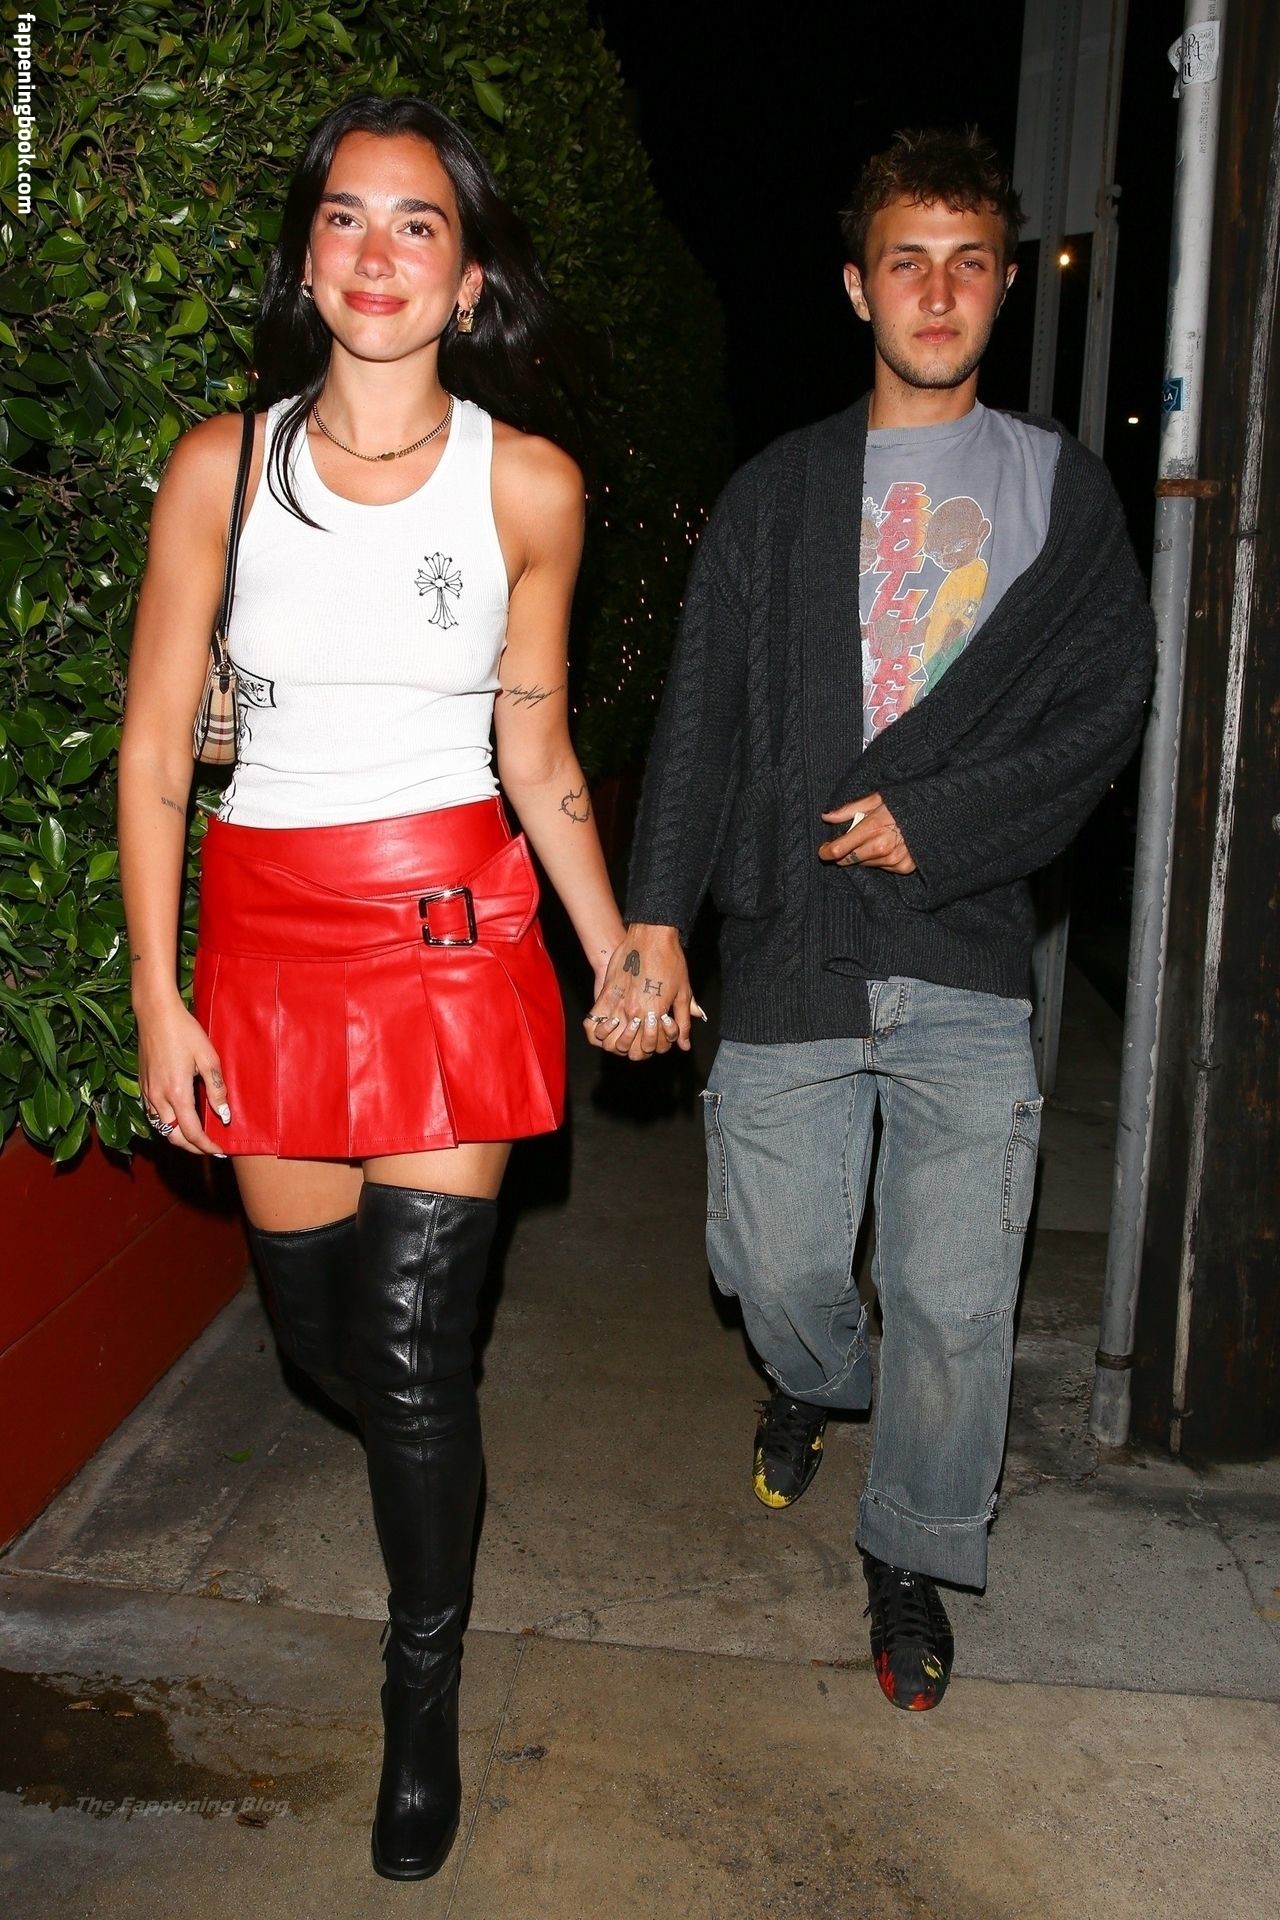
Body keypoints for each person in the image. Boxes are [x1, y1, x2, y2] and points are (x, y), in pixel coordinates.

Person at [118, 94, 631, 1877]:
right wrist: (157, 994)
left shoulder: (528, 486)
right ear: (309, 257)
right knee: (321, 1339)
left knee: (412, 1353)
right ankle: (432, 1472)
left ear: (468, 277)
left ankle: (423, 1691)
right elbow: (156, 750)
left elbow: (537, 749)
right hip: (267, 941)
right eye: (348, 217)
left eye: (421, 225)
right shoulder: (222, 468)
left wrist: (614, 943)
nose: (380, 252)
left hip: (451, 938)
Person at [588, 128, 1155, 1711]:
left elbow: (1109, 703)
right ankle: (814, 1382)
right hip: (792, 942)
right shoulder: (777, 493)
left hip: (964, 943)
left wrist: (947, 820)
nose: (940, 291)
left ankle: (909, 1549)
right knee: (775, 1273)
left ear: (1004, 286)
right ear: (858, 286)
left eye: (970, 263)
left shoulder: (1061, 492)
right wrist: (655, 919)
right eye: (909, 260)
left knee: (958, 1304)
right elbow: (701, 716)